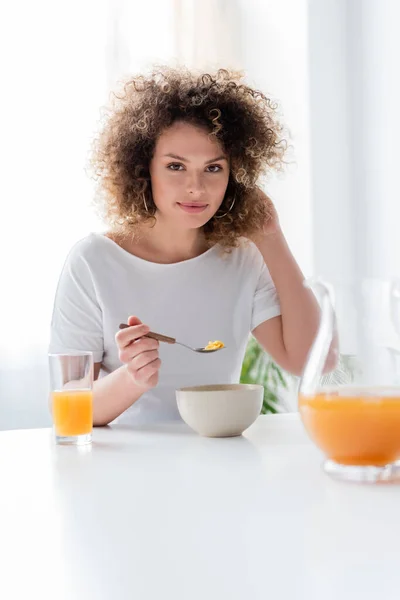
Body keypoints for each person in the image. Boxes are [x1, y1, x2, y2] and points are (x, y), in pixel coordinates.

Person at [49, 66, 325, 426]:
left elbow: (313, 360)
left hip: (221, 457)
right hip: (121, 468)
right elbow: (66, 412)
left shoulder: (242, 258)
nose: (196, 187)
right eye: (176, 166)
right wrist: (131, 378)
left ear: (233, 174)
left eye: (213, 169)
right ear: (143, 170)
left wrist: (272, 238)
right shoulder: (93, 261)